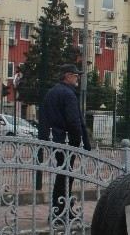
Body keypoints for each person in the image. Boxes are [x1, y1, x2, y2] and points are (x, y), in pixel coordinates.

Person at [39, 64, 91, 221]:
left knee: (63, 174)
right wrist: (81, 142)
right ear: (68, 76)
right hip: (66, 140)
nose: (77, 78)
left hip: (54, 138)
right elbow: (74, 121)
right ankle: (60, 212)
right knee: (65, 176)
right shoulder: (68, 94)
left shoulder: (51, 92)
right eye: (75, 76)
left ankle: (61, 209)